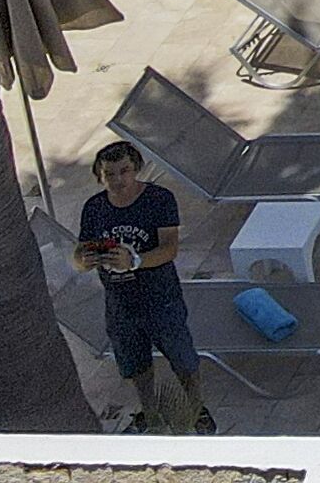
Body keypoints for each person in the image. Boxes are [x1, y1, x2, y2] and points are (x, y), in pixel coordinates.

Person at [72, 140, 214, 433]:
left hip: (160, 298)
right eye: (109, 174)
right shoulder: (95, 208)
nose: (118, 180)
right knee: (136, 365)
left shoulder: (158, 200)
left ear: (136, 169)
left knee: (183, 358)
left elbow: (169, 249)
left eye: (124, 171)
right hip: (120, 303)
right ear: (100, 176)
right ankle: (149, 410)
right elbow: (80, 254)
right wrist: (84, 260)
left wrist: (134, 260)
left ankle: (197, 407)